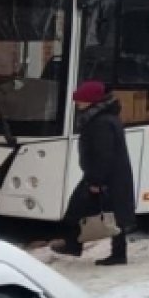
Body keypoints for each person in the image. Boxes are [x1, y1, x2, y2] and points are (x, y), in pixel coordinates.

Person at [52, 80, 136, 266]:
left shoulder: (100, 122)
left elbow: (102, 153)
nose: (77, 104)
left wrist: (96, 181)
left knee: (76, 211)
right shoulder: (104, 118)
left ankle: (74, 245)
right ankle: (117, 253)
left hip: (104, 176)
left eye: (81, 100)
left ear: (92, 101)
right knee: (114, 214)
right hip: (113, 176)